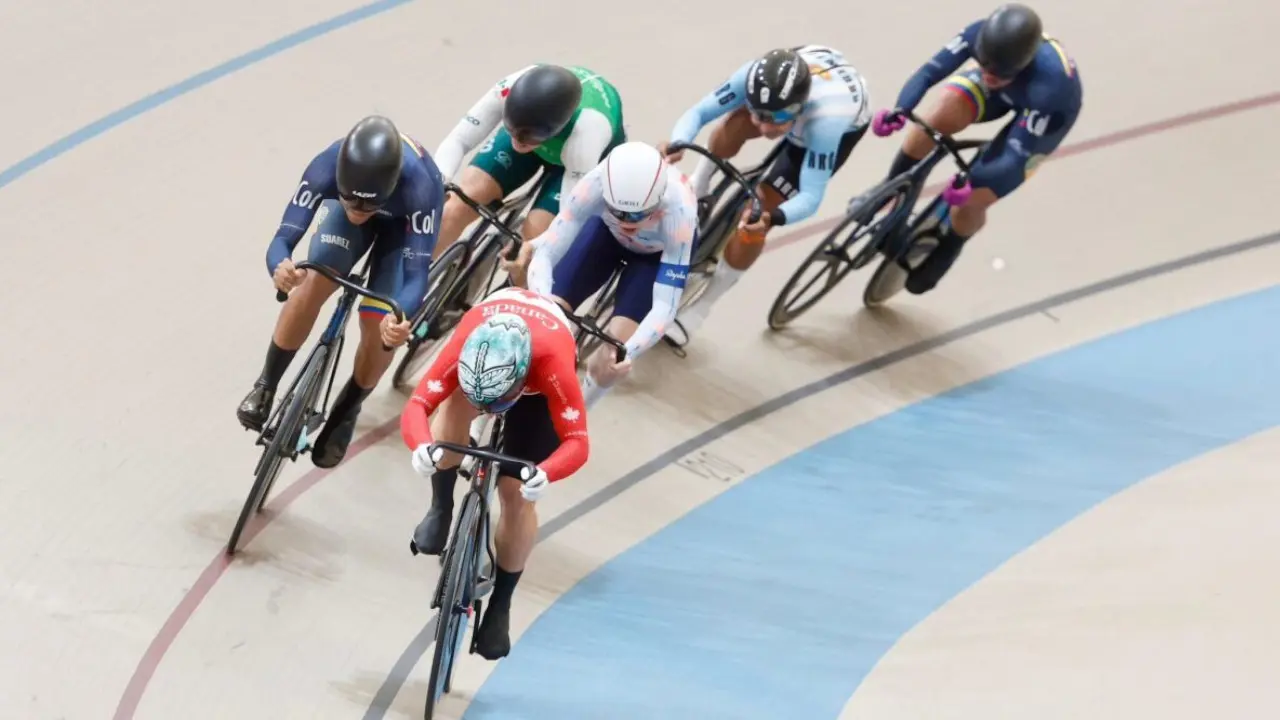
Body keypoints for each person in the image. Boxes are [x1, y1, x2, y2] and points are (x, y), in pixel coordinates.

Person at [237, 115, 445, 469]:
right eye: (350, 200)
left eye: (369, 205)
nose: (359, 212)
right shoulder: (326, 166)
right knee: (314, 278)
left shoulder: (420, 188)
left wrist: (400, 318)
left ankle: (347, 409)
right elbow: (283, 238)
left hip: (402, 227)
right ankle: (266, 385)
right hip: (360, 211)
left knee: (379, 323)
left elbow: (415, 278)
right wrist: (280, 267)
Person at [401, 284, 589, 660]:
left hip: (536, 392)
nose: (488, 410)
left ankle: (501, 603)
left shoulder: (553, 364)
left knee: (516, 495)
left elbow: (578, 442)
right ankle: (441, 506)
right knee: (449, 423)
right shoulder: (463, 344)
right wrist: (421, 445)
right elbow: (418, 404)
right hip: (484, 365)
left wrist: (546, 472)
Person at [658, 45, 872, 339]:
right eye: (758, 114)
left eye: (776, 118)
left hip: (838, 117)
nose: (764, 127)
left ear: (797, 108)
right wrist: (678, 142)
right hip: (809, 71)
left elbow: (811, 196)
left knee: (757, 216)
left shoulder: (827, 124)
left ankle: (701, 308)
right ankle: (701, 181)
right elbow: (699, 112)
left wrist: (772, 218)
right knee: (733, 126)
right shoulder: (750, 77)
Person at [870, 3, 1083, 294]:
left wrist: (972, 181)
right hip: (1008, 89)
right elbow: (928, 73)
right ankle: (893, 189)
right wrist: (901, 109)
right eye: (984, 65)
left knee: (973, 197)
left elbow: (1014, 157)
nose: (989, 76)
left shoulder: (1051, 88)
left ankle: (950, 246)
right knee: (936, 118)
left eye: (998, 73)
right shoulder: (978, 34)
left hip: (1045, 112)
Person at [503, 141, 700, 407]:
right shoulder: (594, 183)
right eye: (617, 211)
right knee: (542, 324)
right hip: (605, 234)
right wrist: (545, 308)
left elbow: (665, 305)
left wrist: (629, 351)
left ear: (658, 202)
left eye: (637, 215)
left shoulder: (679, 213)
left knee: (611, 354)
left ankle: (579, 416)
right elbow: (547, 253)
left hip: (655, 256)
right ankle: (493, 408)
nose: (626, 221)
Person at [432, 64, 628, 260]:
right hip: (541, 128)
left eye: (531, 137)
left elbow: (570, 216)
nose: (519, 142)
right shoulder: (507, 88)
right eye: (511, 128)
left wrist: (535, 246)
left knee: (535, 242)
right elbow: (458, 140)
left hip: (581, 159)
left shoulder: (588, 131)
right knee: (463, 200)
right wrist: (438, 182)